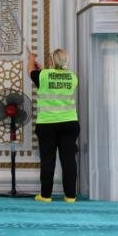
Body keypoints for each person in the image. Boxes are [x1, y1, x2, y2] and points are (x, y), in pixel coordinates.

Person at [28, 47, 79, 203]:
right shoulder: (73, 77)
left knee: (48, 160)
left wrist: (31, 59)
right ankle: (70, 196)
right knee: (69, 160)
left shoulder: (43, 76)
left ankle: (45, 195)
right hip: (70, 123)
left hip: (47, 125)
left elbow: (31, 71)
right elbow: (55, 79)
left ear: (51, 60)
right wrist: (44, 69)